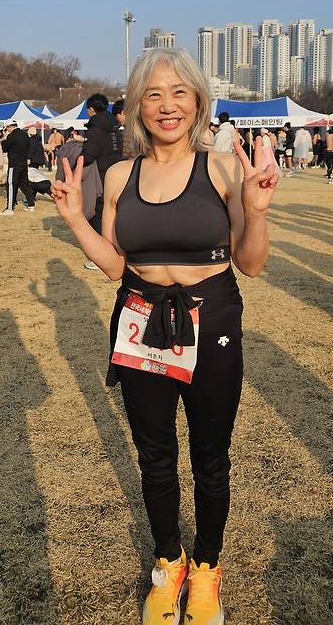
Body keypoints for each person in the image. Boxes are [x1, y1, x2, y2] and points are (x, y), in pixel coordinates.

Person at [52, 48, 279, 625]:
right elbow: (113, 264)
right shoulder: (121, 173)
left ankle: (206, 569)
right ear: (136, 105)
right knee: (154, 456)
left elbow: (250, 264)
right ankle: (168, 562)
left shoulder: (225, 167)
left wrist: (257, 210)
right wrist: (76, 218)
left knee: (210, 456)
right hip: (140, 318)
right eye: (153, 93)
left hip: (214, 316)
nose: (167, 105)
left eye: (179, 92)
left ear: (199, 100)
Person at [81, 92, 123, 239]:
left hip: (101, 175)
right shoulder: (115, 127)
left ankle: (103, 248)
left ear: (92, 109)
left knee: (99, 211)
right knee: (115, 210)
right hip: (118, 173)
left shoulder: (95, 129)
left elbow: (89, 155)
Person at [1, 122, 35, 214]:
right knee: (25, 184)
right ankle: (31, 205)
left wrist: (4, 139)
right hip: (23, 163)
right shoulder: (25, 135)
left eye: (7, 127)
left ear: (10, 127)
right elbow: (29, 148)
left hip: (14, 164)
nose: (7, 129)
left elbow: (5, 148)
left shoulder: (11, 136)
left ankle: (9, 208)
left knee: (11, 184)